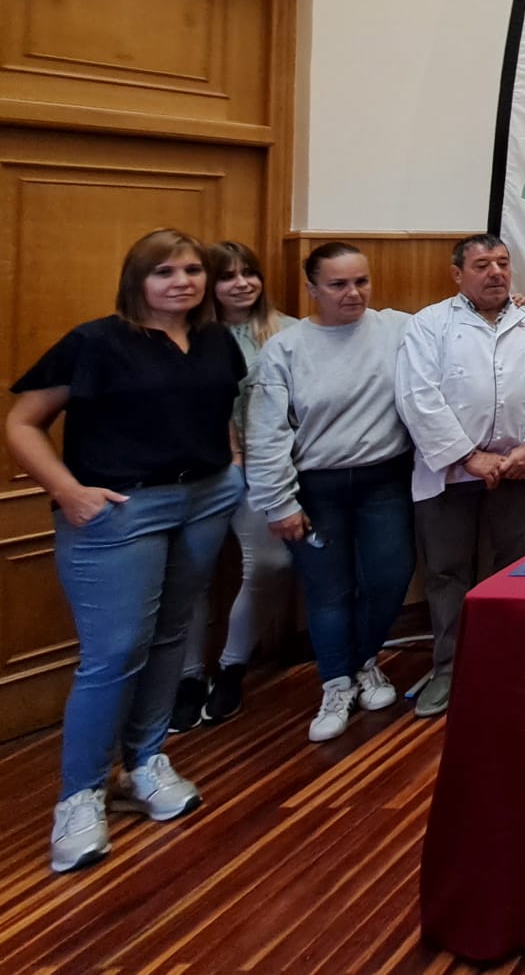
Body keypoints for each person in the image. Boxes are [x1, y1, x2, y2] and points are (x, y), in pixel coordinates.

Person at [7, 229, 245, 875]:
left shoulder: (218, 340)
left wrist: (232, 465)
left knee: (171, 637)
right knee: (113, 654)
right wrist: (66, 490)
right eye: (164, 270)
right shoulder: (96, 342)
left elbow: (220, 411)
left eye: (193, 269)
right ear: (135, 280)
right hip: (120, 512)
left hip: (202, 501)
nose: (183, 281)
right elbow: (21, 424)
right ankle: (79, 797)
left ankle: (143, 762)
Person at [395, 233, 525, 719]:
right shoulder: (429, 324)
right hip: (450, 472)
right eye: (481, 265)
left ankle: (508, 663)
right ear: (457, 274)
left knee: (513, 565)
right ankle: (450, 668)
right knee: (447, 571)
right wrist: (468, 456)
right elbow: (418, 396)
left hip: (521, 466)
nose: (495, 272)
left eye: (502, 262)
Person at [245, 243, 415, 743]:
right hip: (317, 487)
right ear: (313, 289)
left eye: (361, 281)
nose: (353, 293)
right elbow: (267, 431)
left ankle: (364, 661)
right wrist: (280, 502)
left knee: (389, 577)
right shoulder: (287, 347)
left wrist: (514, 301)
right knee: (328, 590)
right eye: (338, 284)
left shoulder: (398, 328)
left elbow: (459, 325)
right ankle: (336, 682)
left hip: (383, 479)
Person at [172, 240, 295, 732]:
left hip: (264, 473)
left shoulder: (287, 331)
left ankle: (232, 666)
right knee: (189, 576)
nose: (241, 284)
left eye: (250, 272)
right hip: (199, 473)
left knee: (273, 561)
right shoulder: (186, 336)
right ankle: (186, 677)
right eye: (228, 276)